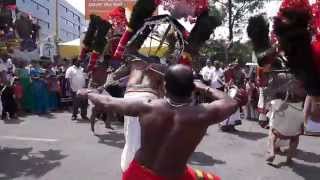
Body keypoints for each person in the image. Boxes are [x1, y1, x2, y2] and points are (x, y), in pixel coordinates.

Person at [80, 64, 247, 180]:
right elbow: (231, 103)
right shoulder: (202, 114)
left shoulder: (148, 106)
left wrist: (88, 92)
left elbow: (107, 102)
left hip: (137, 175)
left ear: (165, 87)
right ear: (191, 89)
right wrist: (204, 87)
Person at [266, 93, 304, 164]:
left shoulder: (279, 105)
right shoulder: (300, 108)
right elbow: (301, 123)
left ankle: (272, 153)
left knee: (272, 135)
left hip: (280, 132)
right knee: (295, 139)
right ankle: (289, 159)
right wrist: (301, 130)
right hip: (293, 133)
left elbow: (271, 112)